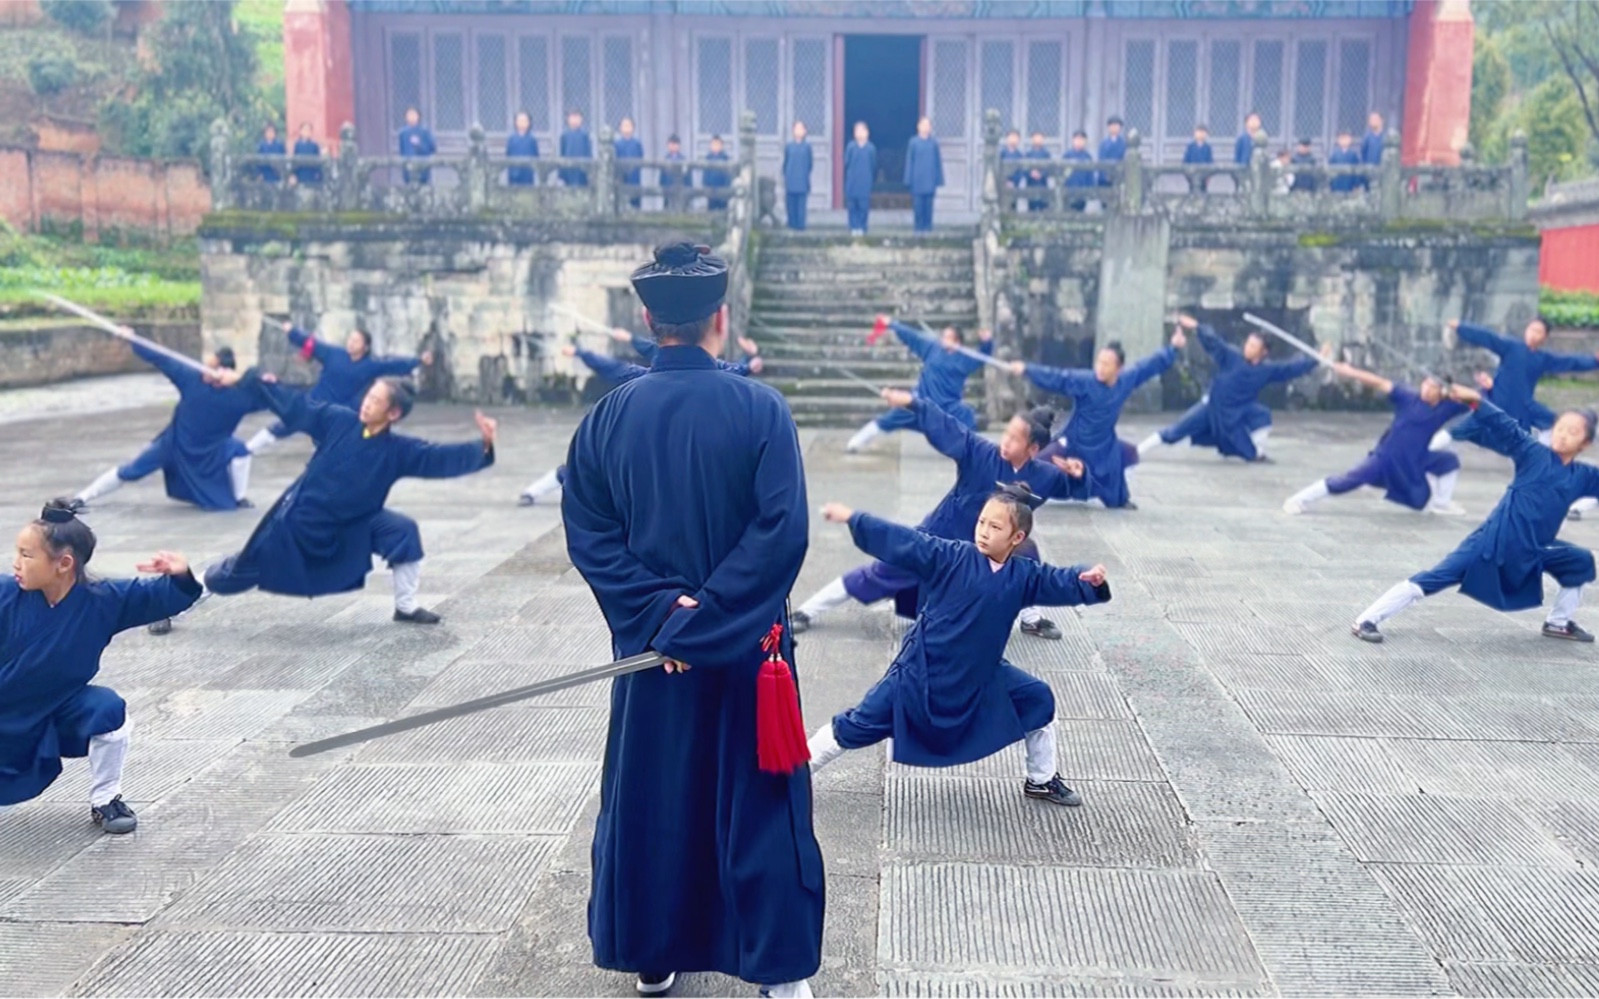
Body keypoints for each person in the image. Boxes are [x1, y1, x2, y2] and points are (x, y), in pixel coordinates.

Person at [562, 242, 822, 998]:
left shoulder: (606, 418)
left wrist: (659, 617)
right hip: (746, 650)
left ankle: (653, 950)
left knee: (655, 794)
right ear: (720, 319)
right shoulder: (762, 410)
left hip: (656, 655)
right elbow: (781, 532)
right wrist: (707, 622)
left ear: (649, 321)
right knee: (757, 802)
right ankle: (778, 973)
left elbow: (589, 533)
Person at [806, 495, 1110, 807]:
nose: (984, 531)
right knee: (858, 724)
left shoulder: (1025, 575)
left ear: (1017, 537)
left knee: (1038, 698)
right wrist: (855, 518)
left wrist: (1088, 579)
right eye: (981, 522)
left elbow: (1061, 580)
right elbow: (907, 541)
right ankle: (790, 775)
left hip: (982, 674)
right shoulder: (951, 556)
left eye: (995, 527)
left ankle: (1041, 780)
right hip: (921, 674)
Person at [201, 371, 496, 626]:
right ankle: (186, 589)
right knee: (234, 574)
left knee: (402, 531)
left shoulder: (398, 450)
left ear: (393, 413)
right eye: (369, 396)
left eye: (376, 400)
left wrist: (482, 446)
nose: (367, 403)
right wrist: (246, 380)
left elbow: (439, 457)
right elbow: (297, 406)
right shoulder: (338, 421)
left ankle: (406, 607)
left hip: (355, 524)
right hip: (301, 526)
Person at [793, 392, 1089, 639]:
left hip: (993, 547)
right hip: (944, 537)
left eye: (1014, 439)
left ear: (1033, 449)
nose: (1005, 442)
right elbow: (947, 426)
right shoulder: (979, 452)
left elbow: (1070, 487)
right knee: (883, 571)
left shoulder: (1046, 475)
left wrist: (1078, 476)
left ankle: (1031, 618)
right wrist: (914, 403)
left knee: (1025, 556)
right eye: (1006, 434)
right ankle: (807, 610)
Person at [0, 500, 202, 833]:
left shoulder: (103, 600)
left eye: (26, 555)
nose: (16, 563)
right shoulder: (5, 594)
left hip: (54, 710)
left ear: (64, 563)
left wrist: (180, 575)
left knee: (107, 708)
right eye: (17, 553)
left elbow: (159, 597)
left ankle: (106, 799)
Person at [1352, 392, 1599, 644]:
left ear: (1586, 443)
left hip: (1535, 549)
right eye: (1560, 428)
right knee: (1435, 578)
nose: (1563, 435)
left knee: (1579, 561)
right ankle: (1366, 619)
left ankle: (1558, 623)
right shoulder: (1533, 453)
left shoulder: (1584, 475)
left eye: (1573, 432)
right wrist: (1475, 401)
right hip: (1491, 545)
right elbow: (1505, 425)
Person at [518, 333, 764, 507]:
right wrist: (748, 363)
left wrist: (748, 361)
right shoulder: (644, 376)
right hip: (640, 440)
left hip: (664, 446)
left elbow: (729, 371)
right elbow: (613, 365)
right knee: (588, 471)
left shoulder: (694, 373)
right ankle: (533, 491)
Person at [1012, 325, 1188, 509]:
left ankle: (1119, 500)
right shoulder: (1086, 381)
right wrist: (1027, 370)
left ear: (1118, 368)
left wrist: (1173, 348)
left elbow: (1150, 366)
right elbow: (1058, 378)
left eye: (1106, 364)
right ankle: (1016, 491)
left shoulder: (1125, 381)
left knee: (1113, 468)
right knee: (1039, 465)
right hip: (1075, 441)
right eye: (1099, 362)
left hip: (1103, 443)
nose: (1100, 368)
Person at [73, 343, 259, 513]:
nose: (204, 370)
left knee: (241, 450)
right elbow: (162, 358)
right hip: (174, 444)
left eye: (211, 368)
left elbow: (269, 389)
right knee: (130, 471)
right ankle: (82, 497)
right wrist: (132, 340)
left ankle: (240, 497)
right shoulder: (192, 379)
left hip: (212, 449)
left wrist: (241, 380)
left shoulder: (240, 397)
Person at [1283, 363, 1470, 516]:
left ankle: (1441, 504)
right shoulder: (1407, 397)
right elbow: (1379, 382)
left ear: (1442, 391)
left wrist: (1455, 391)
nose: (1426, 389)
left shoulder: (1447, 407)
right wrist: (1351, 372)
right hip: (1386, 458)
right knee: (1346, 481)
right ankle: (1297, 499)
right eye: (1426, 384)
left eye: (1433, 386)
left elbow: (1476, 400)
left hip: (1415, 459)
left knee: (1448, 461)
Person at [1137, 315, 1327, 464]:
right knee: (1176, 430)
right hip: (1212, 406)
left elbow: (1291, 369)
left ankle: (1257, 452)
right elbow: (1214, 342)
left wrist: (1317, 359)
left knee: (1259, 422)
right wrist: (1196, 326)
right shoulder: (1232, 356)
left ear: (1263, 352)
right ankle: (1138, 450)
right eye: (1248, 343)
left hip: (1236, 414)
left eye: (1253, 346)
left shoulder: (1266, 371)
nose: (1248, 348)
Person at [246, 321, 432, 455]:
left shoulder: (371, 365)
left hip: (336, 413)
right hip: (314, 403)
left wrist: (419, 361)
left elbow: (394, 365)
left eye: (356, 341)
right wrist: (292, 332)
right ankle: (246, 449)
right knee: (283, 426)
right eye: (350, 339)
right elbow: (312, 344)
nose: (351, 343)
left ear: (365, 347)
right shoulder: (334, 354)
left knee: (332, 442)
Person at [1435, 316, 1598, 450]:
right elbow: (1488, 338)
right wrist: (1461, 327)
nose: (1533, 334)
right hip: (1497, 401)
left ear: (1544, 337)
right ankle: (1427, 449)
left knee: (1555, 422)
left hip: (1522, 406)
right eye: (1531, 329)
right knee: (1456, 430)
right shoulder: (1511, 347)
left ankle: (1543, 455)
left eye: (1538, 331)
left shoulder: (1543, 359)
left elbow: (1570, 362)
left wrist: (1594, 361)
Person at [847, 318, 992, 453]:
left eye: (949, 337)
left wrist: (987, 343)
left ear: (957, 341)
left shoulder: (965, 360)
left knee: (966, 417)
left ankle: (974, 452)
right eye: (944, 336)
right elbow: (912, 336)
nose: (944, 339)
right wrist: (892, 324)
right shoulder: (932, 348)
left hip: (947, 407)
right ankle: (855, 442)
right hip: (921, 403)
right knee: (887, 420)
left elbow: (982, 357)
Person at [905, 116, 944, 232]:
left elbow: (937, 162)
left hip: (930, 180)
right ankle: (918, 229)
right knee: (918, 207)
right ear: (918, 127)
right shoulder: (913, 143)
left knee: (928, 207)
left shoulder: (933, 143)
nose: (925, 128)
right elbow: (909, 161)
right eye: (923, 125)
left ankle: (928, 228)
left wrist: (939, 179)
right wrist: (908, 179)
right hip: (917, 180)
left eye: (928, 125)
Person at [844, 121, 877, 236]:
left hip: (865, 181)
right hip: (852, 181)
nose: (860, 133)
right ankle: (853, 226)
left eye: (862, 131)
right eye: (857, 131)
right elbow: (847, 163)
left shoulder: (871, 148)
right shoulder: (851, 147)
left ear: (867, 133)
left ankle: (862, 227)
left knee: (863, 206)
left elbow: (873, 165)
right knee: (852, 205)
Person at [781, 120, 813, 231]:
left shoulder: (807, 147)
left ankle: (800, 224)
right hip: (791, 178)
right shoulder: (789, 146)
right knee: (790, 203)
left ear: (805, 131)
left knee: (801, 204)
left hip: (802, 179)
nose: (798, 131)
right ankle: (791, 223)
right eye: (796, 128)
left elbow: (810, 164)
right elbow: (785, 163)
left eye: (801, 128)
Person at [398, 106, 436, 185]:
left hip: (422, 168)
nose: (411, 117)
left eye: (413, 114)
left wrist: (419, 144)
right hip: (408, 167)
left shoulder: (424, 131)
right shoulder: (403, 133)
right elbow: (402, 151)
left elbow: (432, 148)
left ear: (418, 116)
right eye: (409, 115)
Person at [614, 117, 644, 207]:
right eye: (624, 125)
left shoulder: (637, 144)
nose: (626, 128)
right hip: (621, 177)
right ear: (620, 128)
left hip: (634, 176)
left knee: (635, 201)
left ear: (633, 128)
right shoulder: (616, 144)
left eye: (629, 125)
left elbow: (641, 158)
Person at [506, 110, 540, 187]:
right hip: (514, 172)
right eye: (520, 120)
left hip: (527, 173)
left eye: (524, 121)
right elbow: (508, 154)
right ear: (515, 122)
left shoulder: (532, 139)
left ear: (529, 123)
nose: (522, 123)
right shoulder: (512, 139)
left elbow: (536, 155)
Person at [559, 109, 592, 187]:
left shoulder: (585, 135)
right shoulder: (565, 135)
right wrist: (561, 173)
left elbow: (588, 153)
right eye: (572, 117)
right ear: (568, 119)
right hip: (568, 168)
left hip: (581, 169)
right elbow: (562, 153)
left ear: (581, 119)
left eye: (577, 117)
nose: (574, 120)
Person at [1063, 130, 1094, 210]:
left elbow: (1090, 175)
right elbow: (1063, 174)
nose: (1079, 142)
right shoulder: (1067, 156)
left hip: (1082, 191)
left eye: (1081, 139)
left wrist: (1090, 190)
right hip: (1068, 190)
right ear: (1073, 140)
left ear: (1085, 141)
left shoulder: (1087, 157)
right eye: (1077, 139)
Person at [1024, 130, 1052, 210]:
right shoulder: (1028, 154)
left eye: (1040, 137)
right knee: (1031, 206)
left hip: (1042, 183)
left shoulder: (1046, 154)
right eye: (1036, 137)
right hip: (1031, 183)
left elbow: (1049, 168)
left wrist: (1041, 174)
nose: (1037, 139)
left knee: (1043, 206)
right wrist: (1031, 173)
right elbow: (1024, 168)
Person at [704, 134, 732, 211]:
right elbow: (705, 175)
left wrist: (726, 190)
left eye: (717, 144)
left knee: (723, 211)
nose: (715, 146)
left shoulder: (725, 158)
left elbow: (728, 176)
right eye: (713, 144)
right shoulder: (708, 158)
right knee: (711, 212)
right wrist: (706, 187)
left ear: (721, 146)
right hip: (711, 190)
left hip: (722, 190)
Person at [660, 133, 687, 210]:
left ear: (679, 145)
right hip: (668, 189)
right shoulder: (665, 159)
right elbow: (662, 177)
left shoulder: (683, 159)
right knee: (667, 209)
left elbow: (687, 178)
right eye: (671, 144)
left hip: (680, 190)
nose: (673, 146)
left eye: (675, 144)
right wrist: (662, 188)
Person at [1183, 124, 1214, 192]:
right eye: (1199, 132)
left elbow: (1210, 162)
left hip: (1203, 177)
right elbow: (1185, 162)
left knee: (1203, 194)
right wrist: (1188, 176)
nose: (1201, 134)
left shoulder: (1207, 147)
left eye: (1203, 132)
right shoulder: (1190, 147)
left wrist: (1208, 176)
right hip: (1192, 175)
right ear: (1195, 133)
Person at [1097, 116, 1125, 187]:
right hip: (1106, 177)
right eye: (1112, 125)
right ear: (1108, 127)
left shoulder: (1124, 143)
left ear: (1120, 128)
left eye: (1116, 125)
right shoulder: (1104, 144)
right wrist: (1104, 177)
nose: (1114, 128)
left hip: (1119, 176)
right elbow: (1101, 160)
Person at [291, 122, 323, 186]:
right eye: (305, 130)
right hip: (301, 174)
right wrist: (293, 174)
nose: (307, 132)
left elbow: (318, 161)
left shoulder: (314, 145)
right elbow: (294, 161)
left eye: (309, 130)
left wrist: (318, 174)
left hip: (311, 174)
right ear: (301, 131)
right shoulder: (297, 145)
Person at [1001, 129, 1026, 208]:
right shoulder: (1002, 153)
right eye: (1011, 136)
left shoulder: (1020, 155)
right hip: (1002, 185)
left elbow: (1021, 172)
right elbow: (998, 169)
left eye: (1016, 137)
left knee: (1013, 207)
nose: (1013, 139)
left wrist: (1013, 182)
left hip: (1014, 186)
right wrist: (1005, 181)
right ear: (1007, 138)